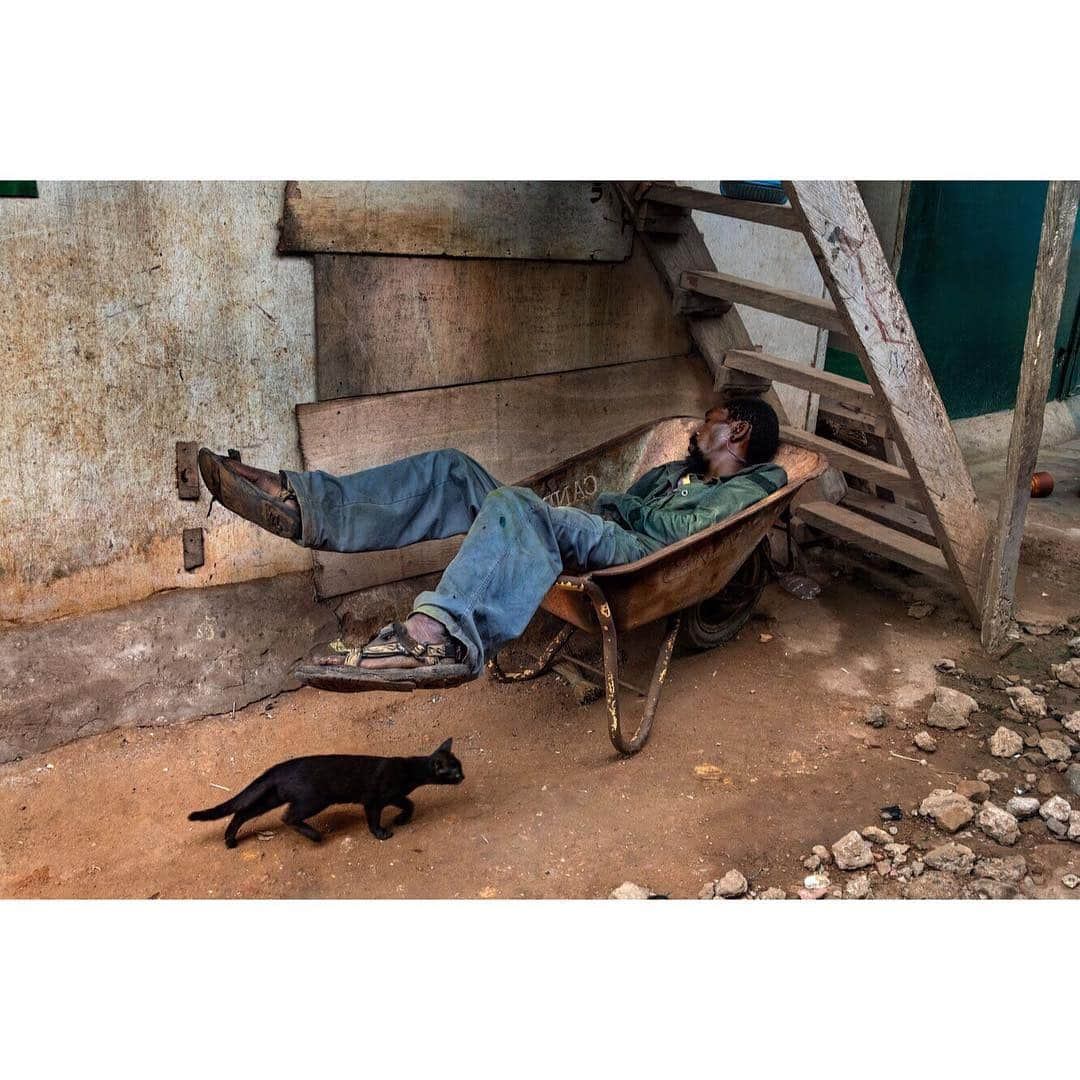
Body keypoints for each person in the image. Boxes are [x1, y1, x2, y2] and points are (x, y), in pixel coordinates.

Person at [198, 397, 785, 692]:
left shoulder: (754, 483)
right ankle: (307, 506)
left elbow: (682, 535)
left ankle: (439, 638)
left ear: (737, 430)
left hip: (640, 556)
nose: (694, 428)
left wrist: (613, 506)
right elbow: (616, 502)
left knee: (518, 505)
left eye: (707, 420)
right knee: (455, 471)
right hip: (603, 534)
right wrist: (601, 506)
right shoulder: (669, 472)